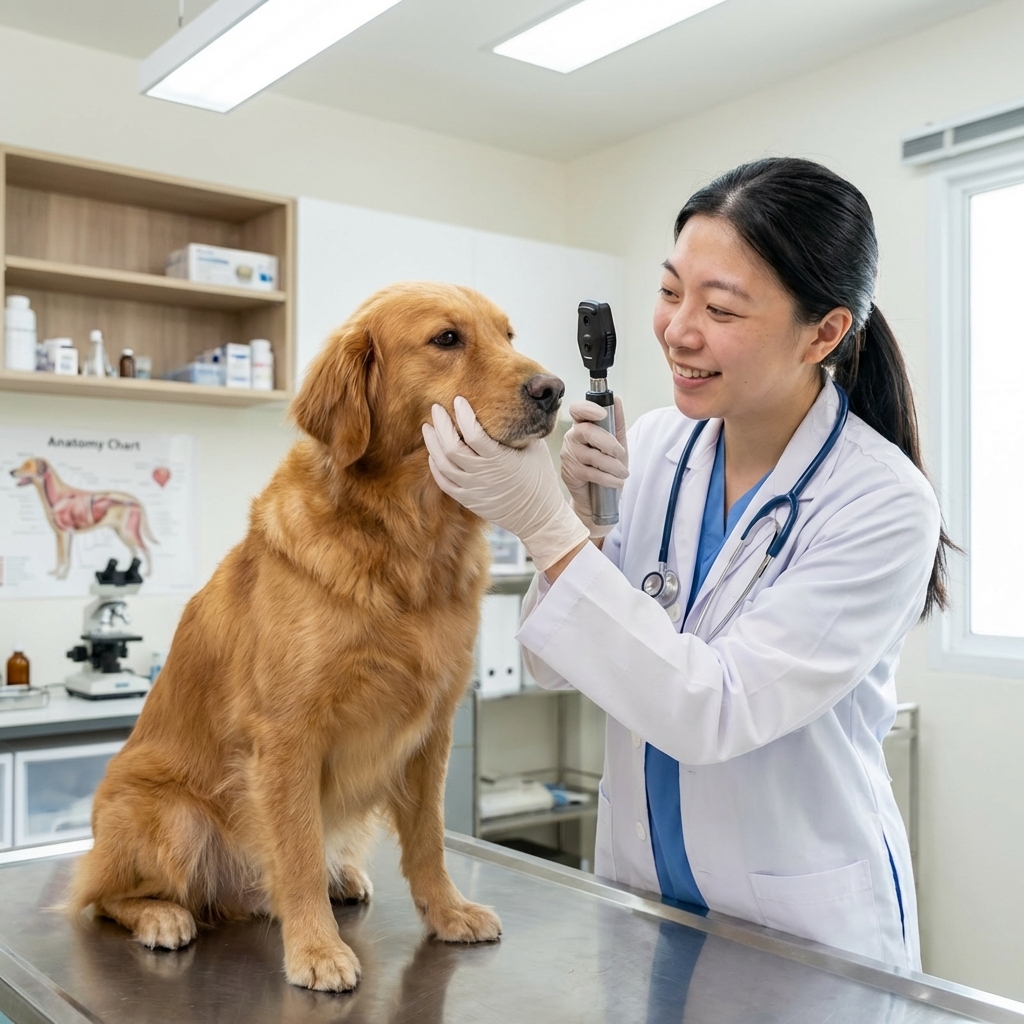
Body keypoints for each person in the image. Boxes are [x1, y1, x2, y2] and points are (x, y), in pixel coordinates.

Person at [422, 157, 952, 970]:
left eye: (722, 308)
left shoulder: (882, 504)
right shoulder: (663, 444)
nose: (679, 330)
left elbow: (714, 711)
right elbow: (549, 663)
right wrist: (581, 529)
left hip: (800, 933)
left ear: (825, 332)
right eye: (671, 293)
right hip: (644, 902)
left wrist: (546, 530)